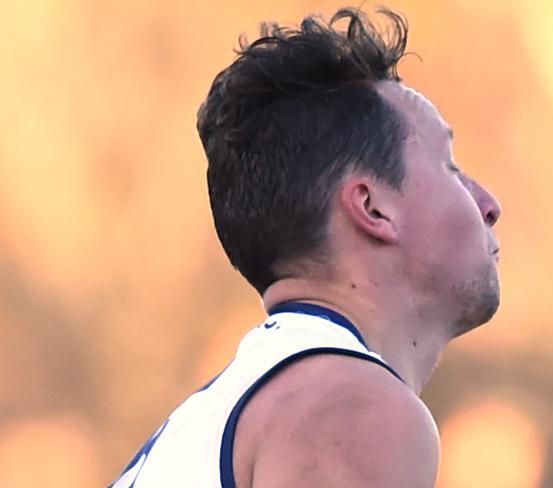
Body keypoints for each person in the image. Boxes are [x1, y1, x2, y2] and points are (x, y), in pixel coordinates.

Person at [109, 6, 501, 488]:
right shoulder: (352, 410)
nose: (489, 204)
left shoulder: (232, 413)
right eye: (451, 167)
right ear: (372, 207)